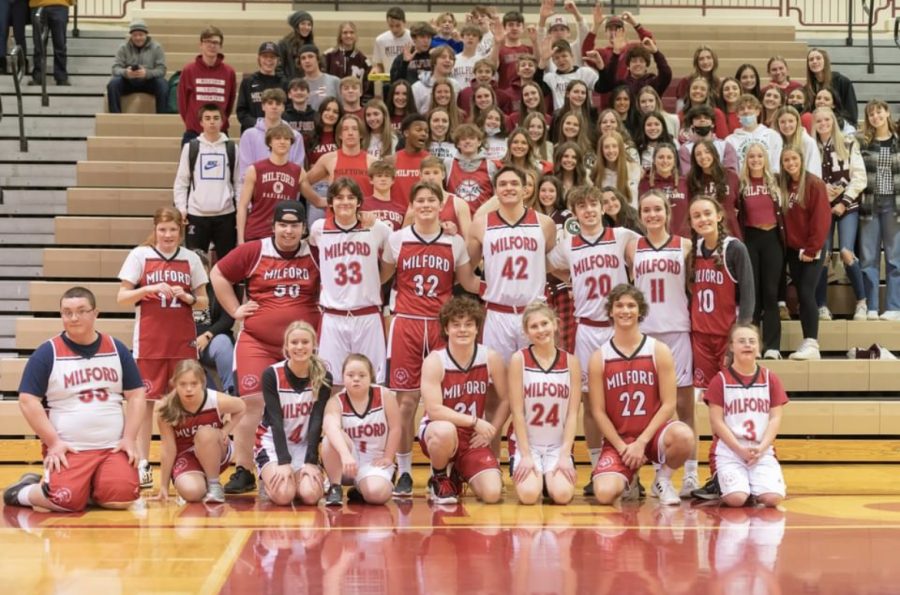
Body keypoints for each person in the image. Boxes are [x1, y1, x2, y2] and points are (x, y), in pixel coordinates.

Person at [211, 200, 321, 494]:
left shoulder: (316, 253)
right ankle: (244, 469)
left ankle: (307, 462)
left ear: (303, 228)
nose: (288, 231)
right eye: (283, 225)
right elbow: (218, 274)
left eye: (294, 225)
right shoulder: (255, 250)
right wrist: (234, 309)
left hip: (302, 347)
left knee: (311, 405)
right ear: (273, 226)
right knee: (252, 404)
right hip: (258, 342)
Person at [3, 287, 144, 512]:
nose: (74, 317)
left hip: (112, 448)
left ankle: (84, 487)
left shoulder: (116, 349)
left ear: (95, 313)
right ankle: (21, 491)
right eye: (67, 312)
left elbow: (136, 394)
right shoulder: (47, 353)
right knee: (64, 501)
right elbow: (27, 400)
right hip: (69, 449)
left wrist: (129, 438)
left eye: (81, 311)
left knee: (123, 499)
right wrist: (54, 442)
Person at [381, 181, 481, 496]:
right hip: (407, 323)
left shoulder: (455, 242)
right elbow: (380, 277)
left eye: (431, 200)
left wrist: (509, 292)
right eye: (419, 200)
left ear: (441, 205)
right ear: (412, 206)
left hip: (442, 325)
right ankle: (406, 471)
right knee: (407, 401)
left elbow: (468, 281)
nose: (425, 205)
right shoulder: (397, 239)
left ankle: (446, 472)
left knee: (444, 402)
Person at [547, 185, 637, 496]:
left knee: (621, 400)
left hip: (618, 329)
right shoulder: (569, 245)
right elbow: (549, 263)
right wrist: (570, 280)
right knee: (588, 401)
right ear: (574, 213)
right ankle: (599, 465)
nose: (588, 210)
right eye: (581, 206)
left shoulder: (622, 236)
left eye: (593, 204)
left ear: (603, 207)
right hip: (586, 329)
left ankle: (629, 467)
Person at [117, 206, 208, 488]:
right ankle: (143, 466)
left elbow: (205, 302)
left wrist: (189, 297)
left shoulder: (191, 258)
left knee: (182, 408)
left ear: (180, 231)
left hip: (182, 346)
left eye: (173, 230)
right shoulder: (139, 255)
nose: (168, 235)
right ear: (155, 229)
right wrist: (147, 290)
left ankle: (183, 464)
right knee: (144, 408)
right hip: (149, 344)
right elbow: (121, 297)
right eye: (163, 229)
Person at [587, 284, 695, 505]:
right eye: (619, 305)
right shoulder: (599, 357)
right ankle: (630, 478)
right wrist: (622, 447)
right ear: (610, 311)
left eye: (631, 305)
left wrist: (642, 441)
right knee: (605, 494)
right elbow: (597, 412)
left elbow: (669, 404)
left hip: (653, 436)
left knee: (684, 436)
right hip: (621, 440)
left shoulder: (658, 350)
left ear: (640, 311)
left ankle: (662, 480)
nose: (625, 311)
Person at [628, 190, 699, 497]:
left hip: (676, 330)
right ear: (640, 214)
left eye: (657, 209)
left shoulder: (684, 246)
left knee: (684, 405)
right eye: (646, 210)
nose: (652, 215)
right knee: (647, 406)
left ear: (667, 212)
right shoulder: (633, 248)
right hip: (644, 334)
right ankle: (640, 475)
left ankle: (691, 474)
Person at [688, 195, 754, 501]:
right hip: (701, 337)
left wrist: (738, 339)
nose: (702, 219)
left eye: (706, 214)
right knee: (712, 410)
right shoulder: (694, 251)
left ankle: (739, 471)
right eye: (696, 216)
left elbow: (750, 296)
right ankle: (719, 474)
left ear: (718, 215)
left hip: (725, 340)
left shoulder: (733, 248)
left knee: (731, 410)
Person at [419, 297, 509, 504]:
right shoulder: (435, 360)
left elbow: (506, 400)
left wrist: (492, 430)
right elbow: (434, 411)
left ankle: (459, 472)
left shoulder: (490, 357)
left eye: (469, 324)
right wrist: (476, 422)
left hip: (472, 438)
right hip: (438, 431)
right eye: (456, 324)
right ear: (446, 328)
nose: (463, 330)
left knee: (492, 494)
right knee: (444, 430)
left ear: (477, 328)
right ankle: (440, 477)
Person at [467, 166, 557, 362]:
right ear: (495, 191)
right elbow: (465, 274)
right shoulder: (481, 224)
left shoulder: (545, 223)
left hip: (534, 313)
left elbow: (549, 264)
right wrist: (488, 288)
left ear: (525, 189)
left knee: (536, 377)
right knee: (496, 381)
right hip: (498, 313)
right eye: (503, 184)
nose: (509, 188)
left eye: (514, 183)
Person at [308, 178, 392, 384]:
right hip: (333, 316)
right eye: (339, 197)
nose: (345, 202)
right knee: (331, 382)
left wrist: (377, 281)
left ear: (359, 202)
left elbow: (394, 257)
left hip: (367, 314)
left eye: (351, 197)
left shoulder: (376, 228)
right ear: (330, 202)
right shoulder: (319, 228)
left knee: (373, 381)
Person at [704, 323, 788, 508]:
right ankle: (719, 482)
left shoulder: (770, 378)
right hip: (729, 451)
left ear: (759, 347)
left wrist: (762, 447)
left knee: (772, 498)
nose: (747, 345)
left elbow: (775, 418)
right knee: (736, 499)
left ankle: (751, 484)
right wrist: (739, 449)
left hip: (761, 449)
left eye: (752, 341)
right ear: (732, 347)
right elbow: (716, 422)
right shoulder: (720, 380)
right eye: (741, 341)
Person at [508, 302, 581, 505]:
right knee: (529, 496)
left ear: (555, 324)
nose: (541, 330)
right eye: (534, 326)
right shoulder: (519, 359)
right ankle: (539, 476)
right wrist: (525, 455)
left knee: (563, 496)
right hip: (528, 445)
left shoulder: (571, 362)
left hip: (557, 446)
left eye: (544, 323)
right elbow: (517, 412)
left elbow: (572, 414)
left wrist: (565, 455)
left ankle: (549, 480)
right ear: (526, 332)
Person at [255, 321, 331, 506]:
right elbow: (275, 420)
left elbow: (317, 420)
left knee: (310, 496)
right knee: (283, 496)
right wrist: (283, 461)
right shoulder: (271, 375)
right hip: (273, 443)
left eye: (305, 342)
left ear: (314, 346)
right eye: (294, 342)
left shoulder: (323, 376)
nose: (299, 347)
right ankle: (269, 480)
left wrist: (311, 460)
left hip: (303, 445)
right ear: (286, 347)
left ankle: (297, 481)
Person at [155, 359, 246, 503]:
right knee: (192, 493)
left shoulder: (215, 400)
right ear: (174, 384)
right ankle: (202, 483)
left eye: (194, 384)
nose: (189, 389)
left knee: (204, 433)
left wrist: (226, 430)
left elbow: (241, 407)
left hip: (215, 449)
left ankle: (214, 485)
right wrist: (164, 487)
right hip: (187, 455)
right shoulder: (166, 409)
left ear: (202, 383)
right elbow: (168, 449)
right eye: (183, 384)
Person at [322, 354, 400, 506]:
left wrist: (389, 457)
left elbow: (396, 427)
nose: (356, 379)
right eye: (350, 375)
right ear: (343, 377)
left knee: (377, 495)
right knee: (329, 439)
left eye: (361, 375)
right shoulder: (336, 401)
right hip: (346, 462)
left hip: (374, 461)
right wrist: (345, 455)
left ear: (370, 376)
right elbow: (330, 428)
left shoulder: (384, 395)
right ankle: (335, 487)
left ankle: (361, 489)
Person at [813, 106, 867, 322]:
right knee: (823, 256)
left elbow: (859, 177)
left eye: (827, 119)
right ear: (814, 124)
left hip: (847, 206)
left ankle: (862, 302)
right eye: (819, 121)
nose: (824, 124)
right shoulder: (810, 146)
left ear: (834, 120)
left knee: (845, 251)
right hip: (821, 208)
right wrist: (821, 191)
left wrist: (844, 202)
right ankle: (821, 306)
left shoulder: (848, 142)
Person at [779, 146, 832, 360]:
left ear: (801, 159)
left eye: (794, 159)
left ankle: (812, 343)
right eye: (786, 160)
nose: (790, 163)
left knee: (807, 293)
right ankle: (808, 342)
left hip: (811, 248)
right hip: (794, 250)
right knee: (802, 293)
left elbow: (821, 220)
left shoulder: (814, 184)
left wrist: (812, 249)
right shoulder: (784, 185)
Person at [737, 142, 785, 359]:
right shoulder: (741, 184)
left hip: (772, 238)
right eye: (751, 157)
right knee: (752, 294)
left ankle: (773, 346)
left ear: (765, 158)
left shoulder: (775, 181)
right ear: (746, 160)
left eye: (759, 156)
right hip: (751, 239)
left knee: (771, 293)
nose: (755, 160)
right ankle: (753, 344)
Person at [173, 103, 240, 259]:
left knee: (227, 263)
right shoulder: (191, 148)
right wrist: (182, 209)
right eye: (207, 118)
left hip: (226, 215)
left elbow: (238, 182)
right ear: (201, 122)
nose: (212, 122)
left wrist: (240, 211)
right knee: (195, 263)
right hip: (196, 215)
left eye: (216, 118)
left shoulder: (231, 148)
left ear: (222, 121)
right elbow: (181, 182)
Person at [856, 99, 900, 321]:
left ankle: (894, 307)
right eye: (871, 113)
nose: (876, 116)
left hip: (894, 204)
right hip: (870, 203)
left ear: (887, 113)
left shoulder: (898, 141)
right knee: (868, 258)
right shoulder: (862, 142)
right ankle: (871, 306)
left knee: (894, 258)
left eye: (879, 112)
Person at [236, 124, 306, 245]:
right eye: (278, 138)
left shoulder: (298, 171)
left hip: (284, 235)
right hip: (257, 232)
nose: (282, 142)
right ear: (270, 142)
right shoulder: (255, 169)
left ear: (291, 143)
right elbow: (242, 206)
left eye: (286, 138)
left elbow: (316, 201)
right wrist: (240, 240)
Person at [177, 26, 237, 145]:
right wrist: (193, 123)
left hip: (220, 132)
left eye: (215, 42)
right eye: (208, 42)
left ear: (220, 46)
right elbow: (183, 103)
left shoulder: (229, 72)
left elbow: (229, 103)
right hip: (194, 132)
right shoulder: (189, 70)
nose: (212, 45)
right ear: (201, 44)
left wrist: (219, 122)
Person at [192, 251, 235, 394]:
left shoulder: (218, 288)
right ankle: (212, 397)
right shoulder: (178, 292)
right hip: (185, 344)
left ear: (208, 269)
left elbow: (228, 318)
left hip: (211, 341)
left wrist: (207, 335)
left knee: (223, 342)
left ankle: (231, 392)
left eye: (201, 267)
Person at [306, 114, 376, 201]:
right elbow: (304, 182)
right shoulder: (328, 159)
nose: (350, 133)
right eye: (345, 129)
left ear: (361, 134)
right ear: (340, 135)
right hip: (335, 213)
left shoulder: (372, 162)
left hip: (364, 212)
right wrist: (318, 201)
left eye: (354, 129)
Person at [107, 20, 168, 114]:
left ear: (146, 35)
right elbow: (115, 68)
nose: (138, 38)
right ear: (131, 36)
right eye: (135, 35)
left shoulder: (156, 48)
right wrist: (126, 73)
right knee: (113, 84)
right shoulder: (123, 48)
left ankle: (162, 116)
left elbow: (161, 70)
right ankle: (115, 116)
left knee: (162, 84)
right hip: (128, 82)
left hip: (149, 81)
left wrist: (147, 73)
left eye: (140, 34)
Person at [639, 142, 690, 237]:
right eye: (661, 157)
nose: (665, 161)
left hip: (683, 240)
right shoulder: (643, 183)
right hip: (654, 240)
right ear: (654, 160)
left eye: (669, 157)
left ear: (675, 161)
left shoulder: (685, 183)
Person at [236, 41, 287, 134]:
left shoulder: (284, 83)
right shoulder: (248, 82)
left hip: (278, 134)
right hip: (253, 132)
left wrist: (274, 124)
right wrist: (259, 124)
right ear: (259, 58)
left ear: (278, 60)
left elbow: (288, 109)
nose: (269, 60)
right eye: (265, 56)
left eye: (272, 57)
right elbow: (241, 112)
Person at [725, 94, 783, 174]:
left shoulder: (772, 135)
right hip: (742, 184)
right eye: (742, 109)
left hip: (768, 183)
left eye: (750, 107)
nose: (746, 111)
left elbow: (776, 165)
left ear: (757, 111)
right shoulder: (730, 140)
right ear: (737, 114)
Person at [805, 48, 858, 126]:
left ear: (826, 61)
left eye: (818, 58)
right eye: (811, 59)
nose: (814, 61)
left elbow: (851, 114)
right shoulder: (808, 88)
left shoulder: (842, 82)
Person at [324, 22, 372, 99]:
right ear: (340, 36)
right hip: (334, 101)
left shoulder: (363, 59)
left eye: (351, 32)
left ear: (355, 36)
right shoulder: (329, 55)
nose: (348, 35)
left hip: (355, 102)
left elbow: (367, 85)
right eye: (345, 33)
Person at [29, 0, 72, 86]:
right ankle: (38, 76)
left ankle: (61, 77)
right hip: (39, 5)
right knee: (38, 45)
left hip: (60, 5)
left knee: (60, 44)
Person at [299, 45, 341, 110]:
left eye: (310, 57)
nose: (307, 61)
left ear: (318, 59)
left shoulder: (334, 81)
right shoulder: (298, 85)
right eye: (303, 58)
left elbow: (342, 107)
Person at [277, 10, 314, 81]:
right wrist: (287, 84)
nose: (306, 27)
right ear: (296, 25)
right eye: (303, 24)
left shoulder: (311, 45)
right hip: (290, 87)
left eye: (309, 24)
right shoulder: (284, 44)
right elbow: (278, 68)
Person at [372, 7, 410, 74]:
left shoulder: (412, 38)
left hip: (408, 80)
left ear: (404, 22)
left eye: (398, 25)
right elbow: (380, 65)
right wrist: (376, 71)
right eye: (391, 26)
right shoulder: (380, 40)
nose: (394, 29)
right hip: (388, 80)